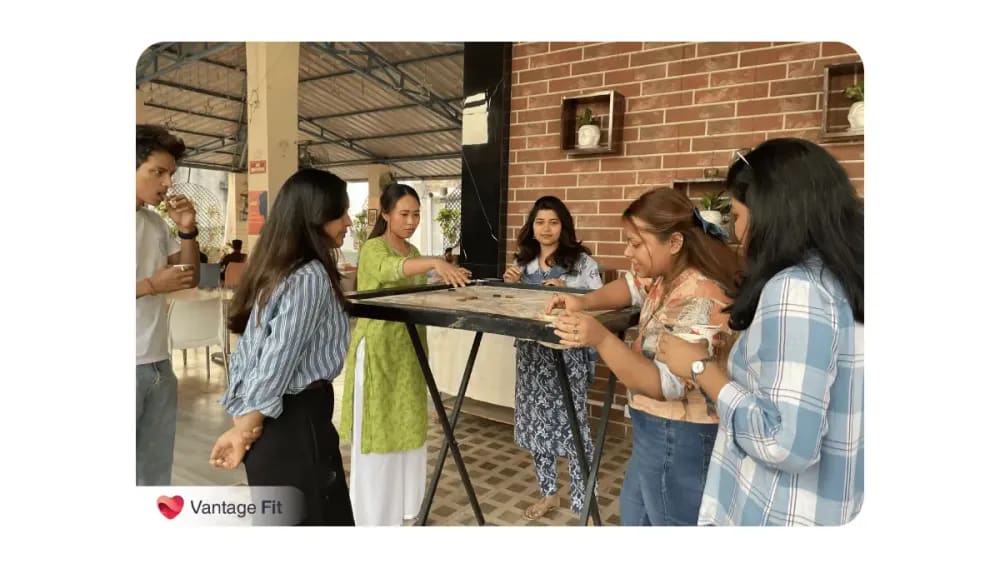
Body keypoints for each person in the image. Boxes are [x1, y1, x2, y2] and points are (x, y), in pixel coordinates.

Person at [658, 138, 864, 526]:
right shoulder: (847, 281)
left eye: (736, 215)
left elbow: (786, 443)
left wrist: (702, 369)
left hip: (780, 510)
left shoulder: (796, 289)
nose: (735, 232)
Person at [546, 187, 742, 525]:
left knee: (670, 523)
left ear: (675, 242)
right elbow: (631, 286)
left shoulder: (700, 294)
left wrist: (600, 338)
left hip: (679, 436)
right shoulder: (667, 274)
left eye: (636, 244)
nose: (627, 252)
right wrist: (583, 302)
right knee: (636, 514)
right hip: (655, 429)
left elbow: (662, 384)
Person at [209, 168, 356, 526]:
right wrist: (245, 428)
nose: (348, 221)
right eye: (340, 213)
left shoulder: (276, 269)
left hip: (269, 424)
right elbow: (277, 359)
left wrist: (243, 419)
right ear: (314, 217)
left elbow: (250, 352)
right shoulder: (310, 276)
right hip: (294, 421)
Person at [341, 183, 471, 526]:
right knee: (380, 430)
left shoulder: (411, 249)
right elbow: (389, 272)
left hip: (408, 352)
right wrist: (432, 262)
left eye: (416, 214)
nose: (411, 221)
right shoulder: (373, 249)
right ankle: (372, 517)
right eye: (404, 214)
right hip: (379, 353)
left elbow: (413, 286)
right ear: (385, 214)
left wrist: (447, 283)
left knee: (408, 426)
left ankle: (402, 509)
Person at [501, 195, 603, 520]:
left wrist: (569, 288)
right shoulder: (523, 263)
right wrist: (510, 285)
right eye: (540, 222)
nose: (546, 229)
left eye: (554, 222)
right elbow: (511, 306)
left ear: (564, 226)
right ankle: (548, 494)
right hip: (532, 354)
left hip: (568, 350)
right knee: (537, 424)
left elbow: (601, 300)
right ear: (532, 226)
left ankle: (583, 499)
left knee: (575, 424)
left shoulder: (582, 263)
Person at [135, 124, 200, 486]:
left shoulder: (154, 223)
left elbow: (188, 275)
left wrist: (188, 229)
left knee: (155, 470)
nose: (166, 183)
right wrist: (150, 285)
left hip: (159, 359)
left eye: (170, 174)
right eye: (156, 172)